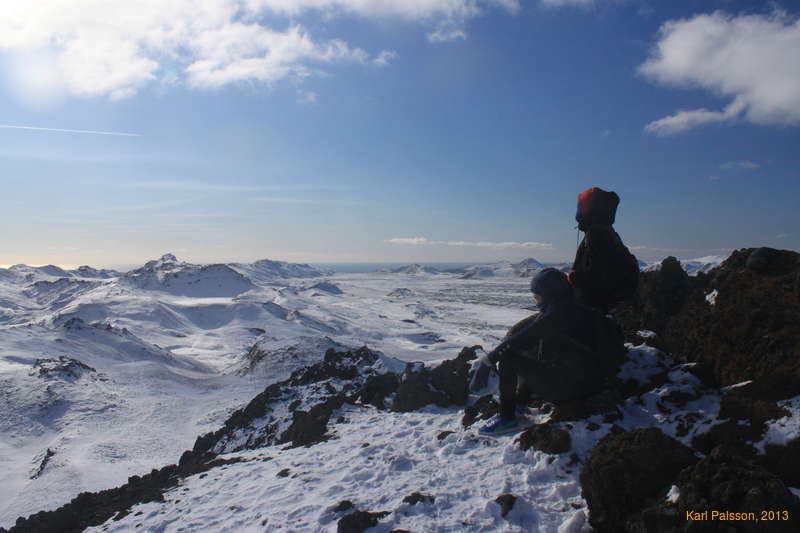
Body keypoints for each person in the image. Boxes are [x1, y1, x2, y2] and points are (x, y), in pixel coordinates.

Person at [469, 267, 613, 435]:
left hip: (575, 388)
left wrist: (486, 363)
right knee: (532, 352)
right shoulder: (573, 306)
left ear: (549, 294)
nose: (535, 299)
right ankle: (521, 401)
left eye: (537, 295)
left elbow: (516, 341)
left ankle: (507, 418)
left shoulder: (556, 315)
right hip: (593, 380)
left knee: (509, 357)